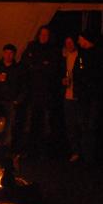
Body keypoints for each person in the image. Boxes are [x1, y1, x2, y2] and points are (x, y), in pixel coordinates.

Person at [20, 25, 62, 159]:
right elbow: (26, 63)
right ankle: (30, 150)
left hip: (47, 92)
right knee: (31, 121)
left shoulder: (53, 50)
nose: (43, 37)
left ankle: (45, 152)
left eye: (46, 35)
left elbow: (52, 68)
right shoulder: (31, 46)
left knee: (46, 122)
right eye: (41, 34)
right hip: (32, 91)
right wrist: (41, 65)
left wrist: (36, 65)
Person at [68, 30, 103, 163]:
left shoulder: (97, 55)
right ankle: (85, 155)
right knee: (83, 125)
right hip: (83, 97)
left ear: (85, 39)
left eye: (80, 39)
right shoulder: (82, 55)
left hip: (92, 97)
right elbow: (77, 73)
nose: (78, 42)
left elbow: (97, 76)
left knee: (90, 125)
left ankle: (90, 155)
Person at [0, 43, 25, 156]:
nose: (8, 55)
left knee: (9, 127)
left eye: (11, 53)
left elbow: (23, 86)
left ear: (14, 55)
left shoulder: (18, 69)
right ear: (3, 53)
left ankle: (6, 152)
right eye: (6, 53)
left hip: (11, 102)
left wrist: (18, 100)